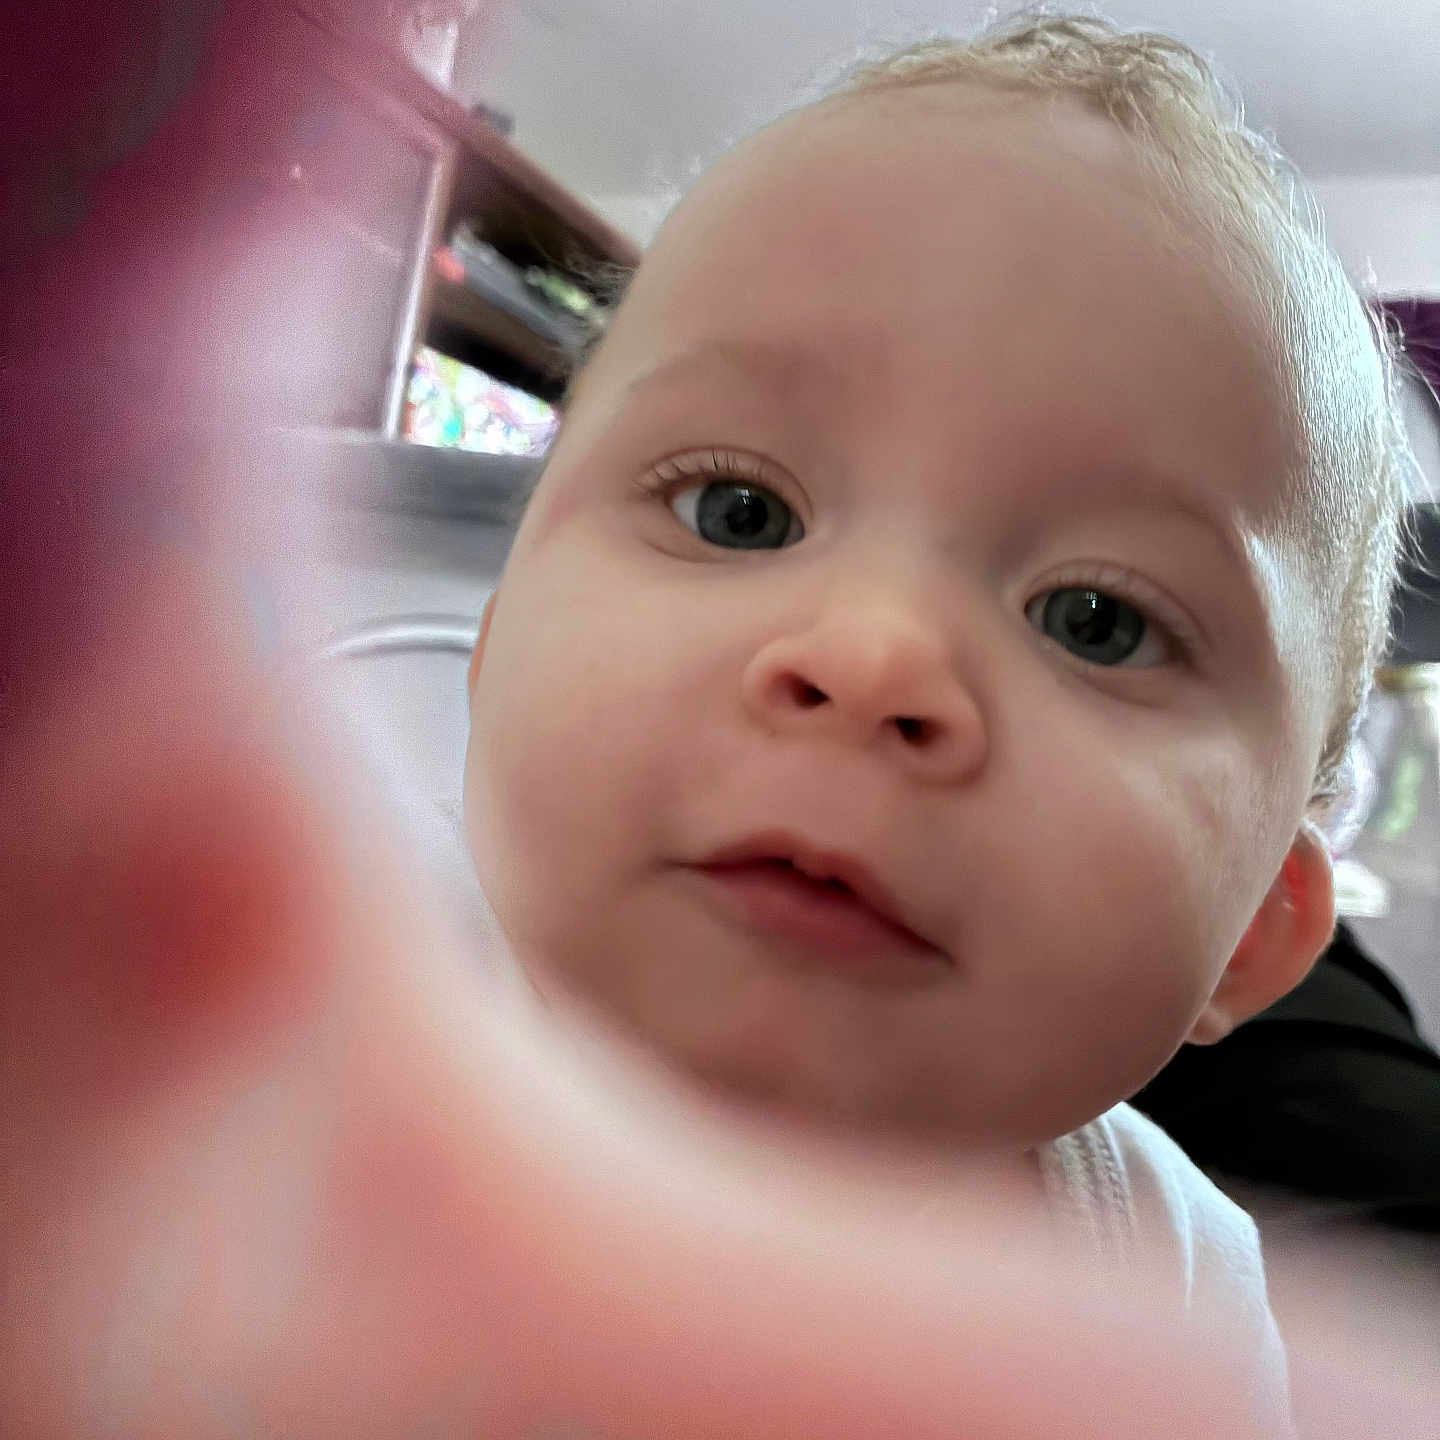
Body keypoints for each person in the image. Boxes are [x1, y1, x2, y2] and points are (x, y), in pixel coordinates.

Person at [458, 11, 1414, 1427]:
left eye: (1098, 621)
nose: (874, 659)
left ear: (1261, 930)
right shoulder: (254, 1000)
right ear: (485, 654)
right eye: (743, 512)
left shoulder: (1170, 1305)